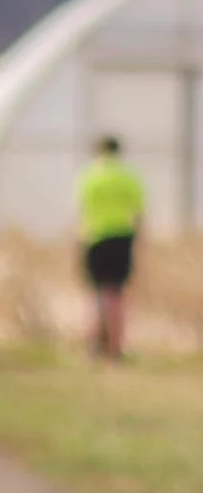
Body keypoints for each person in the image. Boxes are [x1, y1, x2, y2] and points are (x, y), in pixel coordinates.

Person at [76, 134, 145, 360]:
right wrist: (140, 243)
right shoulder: (127, 177)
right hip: (121, 238)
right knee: (116, 295)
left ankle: (92, 345)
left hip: (94, 238)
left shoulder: (89, 177)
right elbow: (139, 213)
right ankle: (115, 348)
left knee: (94, 294)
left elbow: (81, 212)